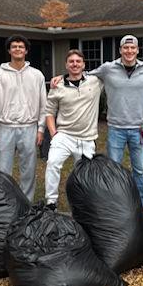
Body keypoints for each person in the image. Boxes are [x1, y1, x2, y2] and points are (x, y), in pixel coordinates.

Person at [52, 35, 143, 213]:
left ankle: (142, 204)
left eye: (132, 48)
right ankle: (114, 204)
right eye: (125, 48)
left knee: (139, 170)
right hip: (115, 129)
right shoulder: (107, 68)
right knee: (112, 169)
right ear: (120, 50)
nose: (129, 51)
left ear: (137, 50)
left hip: (138, 129)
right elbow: (82, 75)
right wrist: (61, 77)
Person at [0, 34, 47, 202]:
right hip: (5, 127)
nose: (18, 49)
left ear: (26, 51)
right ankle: (6, 202)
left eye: (21, 46)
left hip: (30, 127)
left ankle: (27, 202)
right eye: (14, 46)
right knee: (3, 170)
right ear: (9, 50)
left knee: (29, 169)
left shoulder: (37, 75)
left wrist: (41, 129)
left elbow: (44, 104)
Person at [43, 50, 104, 210]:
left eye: (78, 61)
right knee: (52, 164)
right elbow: (49, 112)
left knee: (85, 174)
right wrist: (53, 133)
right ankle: (51, 202)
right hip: (64, 136)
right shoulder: (57, 86)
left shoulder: (95, 81)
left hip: (87, 138)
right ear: (66, 65)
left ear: (84, 65)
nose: (75, 64)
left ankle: (85, 205)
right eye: (71, 61)